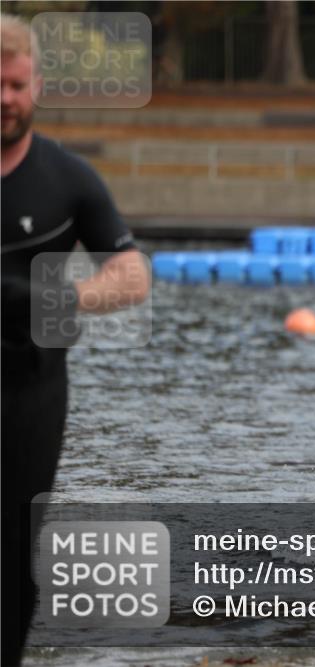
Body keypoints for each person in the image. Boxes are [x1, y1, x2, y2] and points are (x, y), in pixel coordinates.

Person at [1, 14, 150, 666]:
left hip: (31, 388)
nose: (4, 98)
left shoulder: (66, 177)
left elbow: (133, 274)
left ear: (35, 85)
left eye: (15, 84)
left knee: (11, 546)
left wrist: (65, 297)